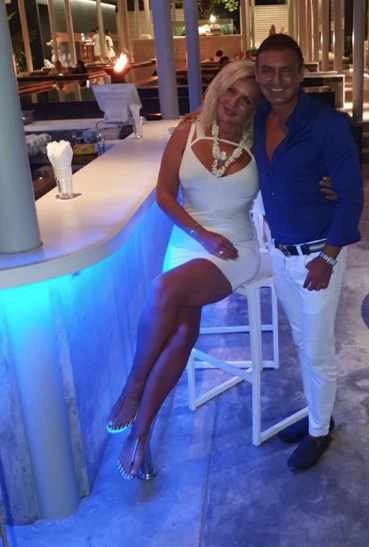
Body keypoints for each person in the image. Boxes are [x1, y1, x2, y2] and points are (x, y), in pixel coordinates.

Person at [107, 61, 262, 480]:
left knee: (163, 290)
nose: (235, 103)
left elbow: (291, 178)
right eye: (231, 91)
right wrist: (199, 234)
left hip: (233, 249)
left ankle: (133, 387)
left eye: (247, 100)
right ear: (218, 89)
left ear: (255, 108)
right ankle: (140, 433)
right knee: (180, 333)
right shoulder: (188, 130)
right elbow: (164, 194)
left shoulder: (259, 141)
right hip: (188, 240)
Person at [253, 34, 363, 470]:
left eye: (286, 70)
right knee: (302, 341)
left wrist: (329, 259)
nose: (277, 80)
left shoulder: (327, 125)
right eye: (267, 70)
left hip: (318, 256)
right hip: (281, 254)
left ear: (301, 73)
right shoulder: (258, 117)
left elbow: (351, 199)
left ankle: (319, 432)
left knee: (317, 348)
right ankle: (320, 412)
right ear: (257, 74)